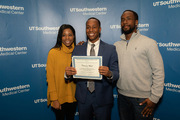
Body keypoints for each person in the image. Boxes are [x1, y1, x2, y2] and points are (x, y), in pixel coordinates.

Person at [114, 10, 165, 120]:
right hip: (122, 97)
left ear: (136, 22)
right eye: (122, 20)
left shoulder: (149, 43)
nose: (125, 22)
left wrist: (154, 98)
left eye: (128, 19)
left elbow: (158, 71)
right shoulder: (116, 45)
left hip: (142, 99)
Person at [65, 17, 119, 120]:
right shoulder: (77, 48)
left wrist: (109, 73)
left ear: (100, 29)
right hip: (83, 98)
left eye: (94, 27)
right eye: (88, 27)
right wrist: (67, 74)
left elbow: (116, 73)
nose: (91, 30)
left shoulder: (110, 49)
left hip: (103, 98)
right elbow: (72, 73)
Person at [46, 24, 77, 120]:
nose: (67, 38)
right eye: (64, 35)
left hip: (74, 97)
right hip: (59, 98)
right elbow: (50, 78)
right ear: (60, 37)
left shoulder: (77, 51)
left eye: (70, 35)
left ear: (74, 36)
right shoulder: (53, 52)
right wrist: (54, 99)